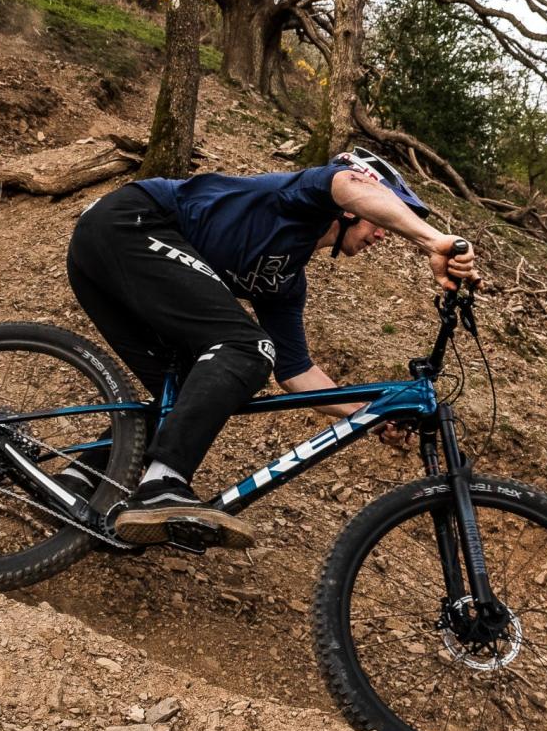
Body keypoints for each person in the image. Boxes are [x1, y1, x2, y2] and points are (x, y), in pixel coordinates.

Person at [64, 148, 478, 549]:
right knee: (248, 347)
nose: (382, 233)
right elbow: (347, 184)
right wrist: (433, 241)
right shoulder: (302, 196)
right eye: (379, 219)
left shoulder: (285, 281)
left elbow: (296, 372)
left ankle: (80, 477)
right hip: (129, 223)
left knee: (195, 387)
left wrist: (372, 412)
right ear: (352, 209)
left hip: (107, 259)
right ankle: (162, 484)